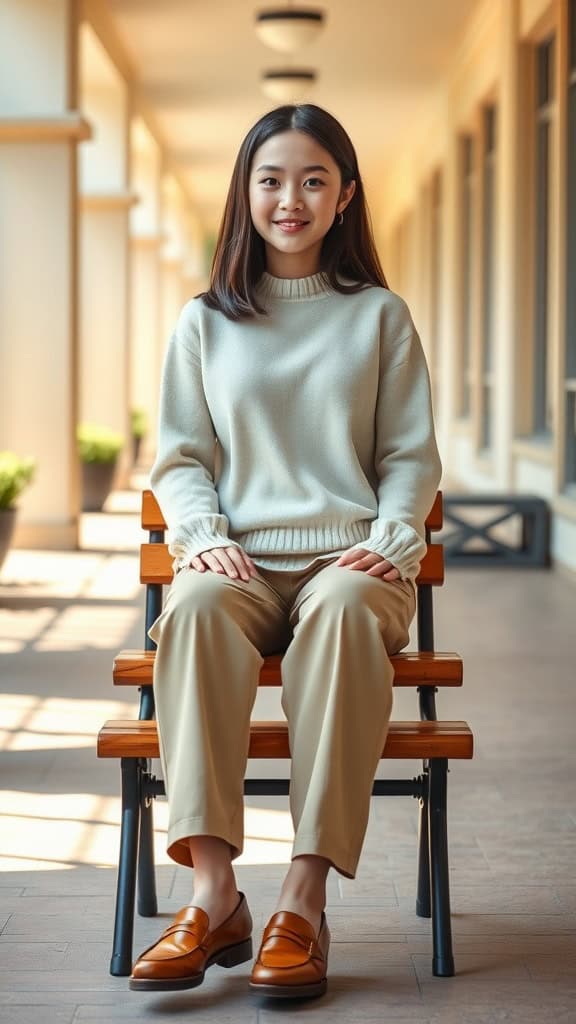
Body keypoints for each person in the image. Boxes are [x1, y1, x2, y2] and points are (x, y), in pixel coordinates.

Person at [129, 102, 442, 1000]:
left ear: (345, 196)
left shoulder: (379, 316)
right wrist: (201, 540)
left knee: (342, 614)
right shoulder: (204, 322)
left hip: (353, 566)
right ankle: (215, 895)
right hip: (242, 565)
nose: (290, 198)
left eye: (313, 179)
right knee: (187, 609)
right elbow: (182, 458)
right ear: (246, 193)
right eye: (271, 179)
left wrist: (388, 541)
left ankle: (302, 902)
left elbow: (409, 455)